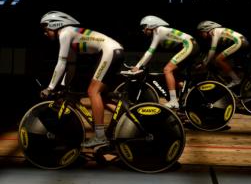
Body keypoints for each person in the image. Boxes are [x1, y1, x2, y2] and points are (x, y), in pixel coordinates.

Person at [40, 11, 124, 147]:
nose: (45, 33)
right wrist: (63, 86)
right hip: (114, 50)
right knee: (100, 95)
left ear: (55, 25)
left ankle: (100, 137)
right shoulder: (71, 34)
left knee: (92, 91)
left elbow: (60, 63)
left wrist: (50, 88)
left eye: (46, 29)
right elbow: (70, 66)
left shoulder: (65, 33)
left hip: (110, 51)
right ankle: (126, 116)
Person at [131, 15, 199, 109]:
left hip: (189, 45)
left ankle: (173, 101)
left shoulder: (158, 31)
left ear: (150, 25)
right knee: (174, 74)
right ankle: (189, 94)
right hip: (191, 45)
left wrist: (138, 66)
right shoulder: (159, 31)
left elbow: (150, 52)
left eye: (144, 27)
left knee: (167, 70)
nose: (143, 30)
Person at [196, 20, 249, 88]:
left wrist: (205, 64)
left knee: (219, 59)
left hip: (238, 42)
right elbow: (212, 53)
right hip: (242, 41)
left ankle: (236, 80)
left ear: (206, 29)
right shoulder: (219, 31)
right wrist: (205, 61)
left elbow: (212, 50)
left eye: (201, 33)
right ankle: (238, 78)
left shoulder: (214, 32)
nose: (200, 35)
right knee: (218, 58)